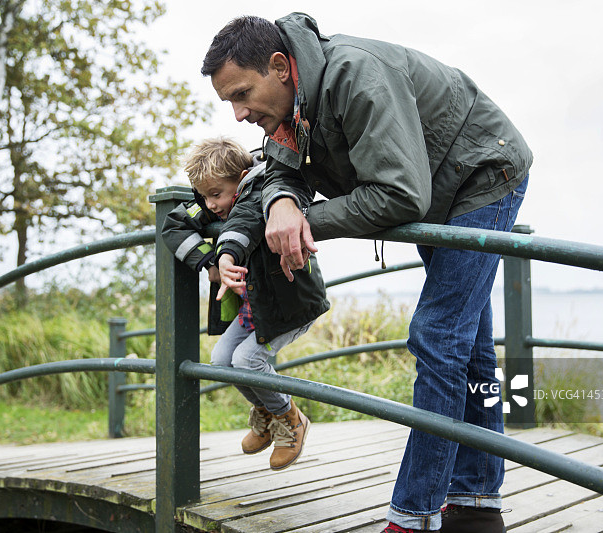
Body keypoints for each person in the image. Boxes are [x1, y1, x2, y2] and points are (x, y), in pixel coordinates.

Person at [201, 13, 532, 533]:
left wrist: (303, 219)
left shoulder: (356, 77)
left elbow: (400, 194)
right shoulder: (292, 106)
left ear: (280, 67)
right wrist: (283, 200)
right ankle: (477, 502)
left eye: (243, 94)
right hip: (440, 192)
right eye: (230, 103)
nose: (239, 114)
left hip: (481, 175)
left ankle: (415, 515)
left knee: (439, 337)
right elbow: (281, 169)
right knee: (469, 347)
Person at [161, 137, 330, 471]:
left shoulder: (259, 189)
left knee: (247, 360)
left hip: (289, 304)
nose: (210, 206)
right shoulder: (207, 200)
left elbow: (244, 222)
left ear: (240, 177)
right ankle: (268, 412)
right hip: (256, 306)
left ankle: (290, 420)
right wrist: (209, 264)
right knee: (222, 361)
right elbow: (173, 225)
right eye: (205, 196)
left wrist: (225, 254)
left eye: (216, 195)